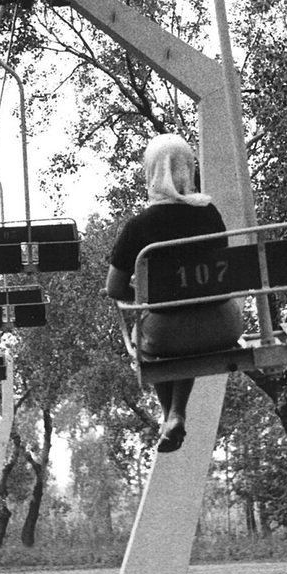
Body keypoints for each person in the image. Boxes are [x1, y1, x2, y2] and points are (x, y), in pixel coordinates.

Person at [105, 133, 244, 453]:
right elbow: (215, 274)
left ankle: (172, 414)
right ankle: (174, 415)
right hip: (222, 326)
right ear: (188, 169)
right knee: (191, 317)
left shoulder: (138, 227)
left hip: (167, 335)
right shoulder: (209, 213)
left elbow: (114, 288)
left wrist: (147, 292)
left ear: (151, 172)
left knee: (155, 332)